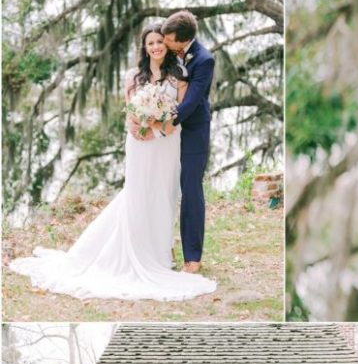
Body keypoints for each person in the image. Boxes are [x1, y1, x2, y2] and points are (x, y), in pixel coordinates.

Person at [8, 23, 217, 301]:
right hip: (139, 144)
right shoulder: (133, 76)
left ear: (167, 45)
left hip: (166, 143)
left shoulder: (179, 75)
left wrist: (156, 129)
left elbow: (179, 115)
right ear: (144, 47)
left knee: (164, 195)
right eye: (150, 43)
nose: (156, 46)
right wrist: (138, 126)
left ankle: (159, 254)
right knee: (137, 194)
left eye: (160, 42)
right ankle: (132, 250)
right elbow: (130, 112)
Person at [161, 10, 215, 274]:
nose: (164, 43)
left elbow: (193, 100)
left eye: (169, 39)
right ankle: (160, 248)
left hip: (193, 130)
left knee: (190, 189)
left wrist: (167, 122)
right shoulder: (167, 52)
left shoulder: (205, 60)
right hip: (164, 133)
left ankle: (192, 257)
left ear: (182, 40)